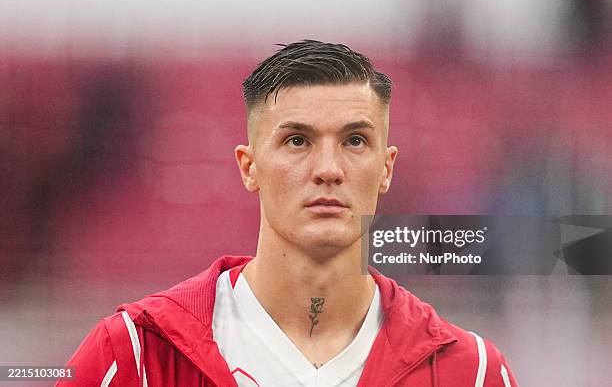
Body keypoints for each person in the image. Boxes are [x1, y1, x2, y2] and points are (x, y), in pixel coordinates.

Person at [58, 40, 518, 386]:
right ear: (249, 166)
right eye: (297, 140)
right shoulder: (135, 357)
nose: (328, 169)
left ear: (386, 168)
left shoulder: (472, 373)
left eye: (355, 141)